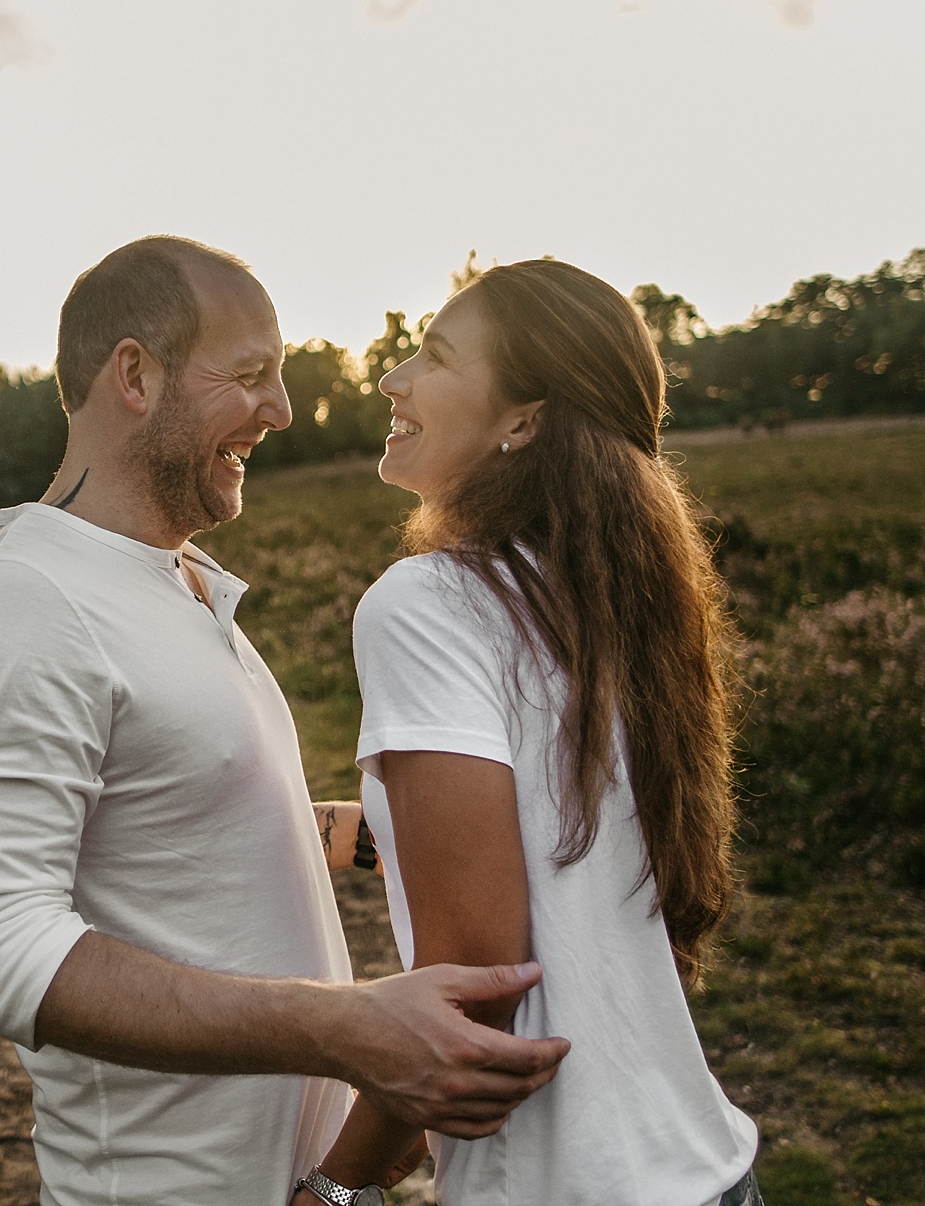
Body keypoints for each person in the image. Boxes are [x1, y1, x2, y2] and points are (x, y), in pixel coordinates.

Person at [0, 237, 569, 1206]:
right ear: (135, 373)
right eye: (252, 374)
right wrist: (343, 1025)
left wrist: (401, 828)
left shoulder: (176, 585)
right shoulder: (23, 606)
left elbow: (182, 826)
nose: (284, 410)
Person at [290, 260, 761, 1206]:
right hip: (707, 1171)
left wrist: (341, 1188)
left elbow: (479, 973)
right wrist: (320, 830)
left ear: (522, 419)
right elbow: (551, 842)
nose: (393, 379)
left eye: (434, 355)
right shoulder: (602, 600)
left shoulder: (428, 603)